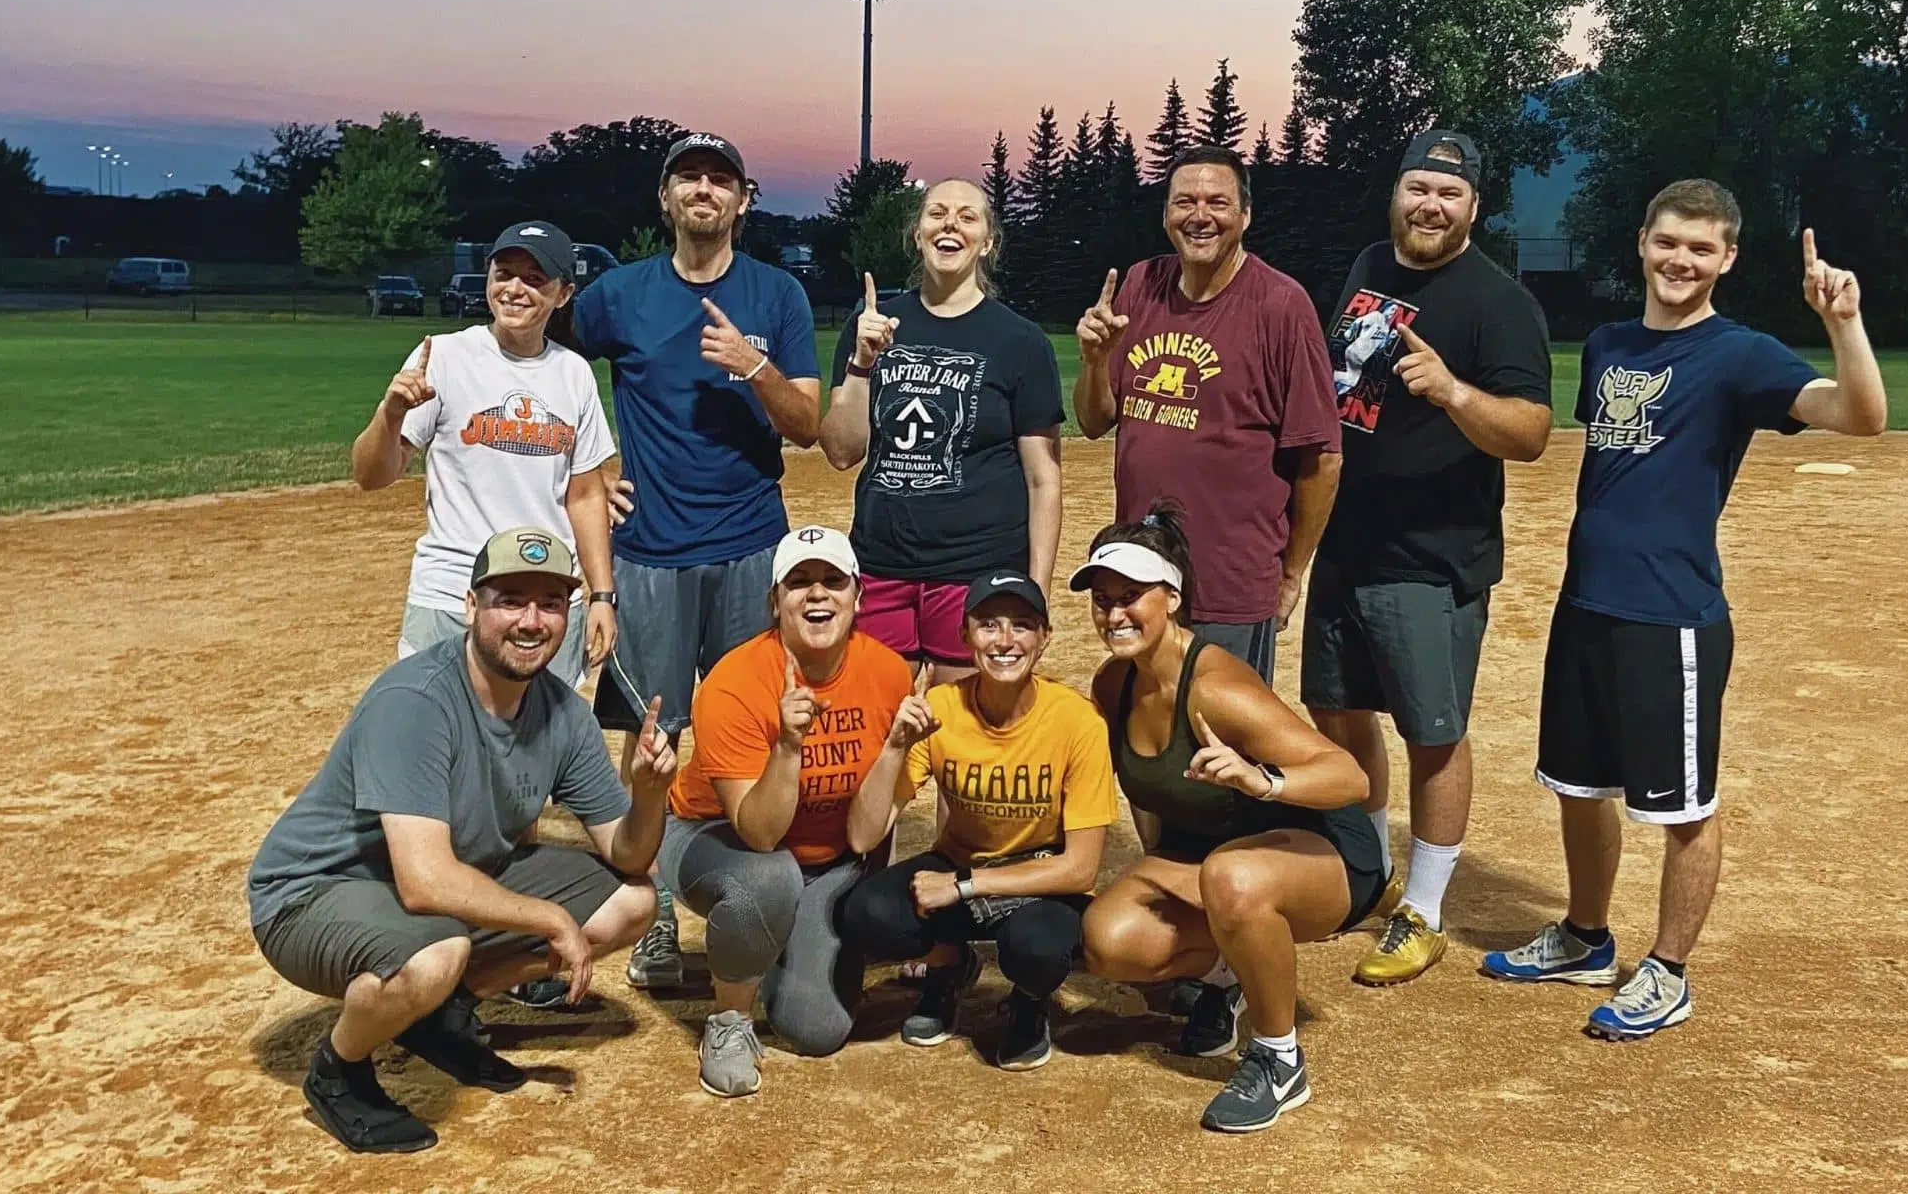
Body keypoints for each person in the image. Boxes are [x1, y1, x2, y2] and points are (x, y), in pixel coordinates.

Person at [1482, 180, 1887, 1040]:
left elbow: (1860, 416)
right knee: (1579, 787)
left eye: (1702, 249)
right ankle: (1587, 937)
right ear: (1642, 241)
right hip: (1586, 604)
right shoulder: (1607, 345)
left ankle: (1667, 971)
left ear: (1728, 259)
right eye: (1669, 242)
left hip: (1672, 617)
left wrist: (1841, 322)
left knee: (1682, 808)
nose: (1681, 261)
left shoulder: (1741, 355)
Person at [245, 529, 673, 1155]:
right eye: (511, 600)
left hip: (435, 885)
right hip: (314, 893)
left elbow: (630, 856)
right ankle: (339, 1071)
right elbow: (424, 882)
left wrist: (650, 792)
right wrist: (550, 918)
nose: (531, 621)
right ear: (472, 607)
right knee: (434, 952)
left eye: (550, 603)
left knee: (633, 901)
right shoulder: (415, 700)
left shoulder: (563, 714)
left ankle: (441, 1011)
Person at [572, 132, 822, 992]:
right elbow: (554, 377)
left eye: (721, 180)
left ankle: (760, 895)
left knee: (752, 726)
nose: (704, 192)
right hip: (647, 553)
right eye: (689, 179)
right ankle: (647, 911)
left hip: (752, 543)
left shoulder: (777, 293)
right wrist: (596, 469)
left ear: (744, 200)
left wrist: (754, 366)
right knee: (654, 736)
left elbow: (810, 426)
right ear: (666, 199)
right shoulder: (618, 295)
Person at [1301, 131, 1553, 985]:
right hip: (1343, 541)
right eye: (1418, 188)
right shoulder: (1371, 262)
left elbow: (1531, 433)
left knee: (1431, 733)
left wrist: (1452, 392)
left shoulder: (1498, 300)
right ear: (1396, 194)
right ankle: (1366, 871)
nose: (1430, 206)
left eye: (1449, 194)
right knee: (1338, 714)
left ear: (1474, 207)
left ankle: (1426, 907)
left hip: (1430, 556)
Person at [1076, 507, 1385, 1135]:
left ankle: (1278, 1058)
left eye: (1131, 598)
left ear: (1172, 597)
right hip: (1215, 856)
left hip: (1323, 854)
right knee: (1109, 939)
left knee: (1233, 879)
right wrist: (1156, 867)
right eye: (1103, 600)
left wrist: (1262, 780)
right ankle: (1229, 973)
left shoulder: (1216, 688)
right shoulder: (1113, 685)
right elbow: (1148, 793)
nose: (1114, 615)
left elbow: (1350, 778)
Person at [658, 527, 918, 1096]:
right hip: (717, 836)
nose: (817, 595)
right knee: (769, 880)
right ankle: (728, 1021)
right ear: (775, 602)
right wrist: (788, 745)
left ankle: (778, 942)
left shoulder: (890, 673)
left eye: (833, 581)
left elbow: (877, 819)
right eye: (798, 583)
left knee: (816, 1029)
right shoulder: (734, 682)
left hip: (828, 858)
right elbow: (759, 831)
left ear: (858, 596)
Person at [1072, 145, 1340, 682]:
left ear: (1245, 215)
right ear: (1166, 214)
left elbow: (1323, 458)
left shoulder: (1280, 305)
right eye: (1184, 202)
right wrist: (1096, 361)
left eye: (1218, 202)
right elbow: (1095, 420)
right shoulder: (1141, 284)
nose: (1199, 216)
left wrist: (1290, 574)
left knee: (1226, 751)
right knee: (1151, 741)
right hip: (1140, 572)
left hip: (1231, 581)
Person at [837, 571, 1113, 1070]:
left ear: (1045, 637)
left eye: (1022, 625)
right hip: (961, 863)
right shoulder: (942, 708)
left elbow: (1081, 870)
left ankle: (1030, 1000)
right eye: (988, 625)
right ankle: (949, 968)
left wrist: (964, 885)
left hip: (1041, 879)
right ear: (964, 636)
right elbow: (862, 835)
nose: (1005, 640)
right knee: (866, 913)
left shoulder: (1078, 722)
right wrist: (895, 748)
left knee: (1036, 948)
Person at [351, 219, 618, 687]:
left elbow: (585, 496)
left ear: (562, 294)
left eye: (535, 279)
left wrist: (601, 596)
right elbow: (372, 475)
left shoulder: (573, 373)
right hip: (454, 591)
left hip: (547, 590)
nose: (515, 290)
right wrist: (391, 414)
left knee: (539, 750)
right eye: (504, 274)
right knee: (436, 741)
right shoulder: (445, 357)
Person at [820, 177, 1064, 685]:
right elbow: (842, 452)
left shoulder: (1020, 340)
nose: (950, 223)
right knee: (879, 728)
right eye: (936, 213)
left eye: (967, 216)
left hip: (978, 568)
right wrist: (862, 364)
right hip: (881, 562)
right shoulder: (873, 324)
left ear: (987, 242)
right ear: (917, 233)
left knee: (967, 738)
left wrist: (1034, 594)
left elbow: (1044, 480)